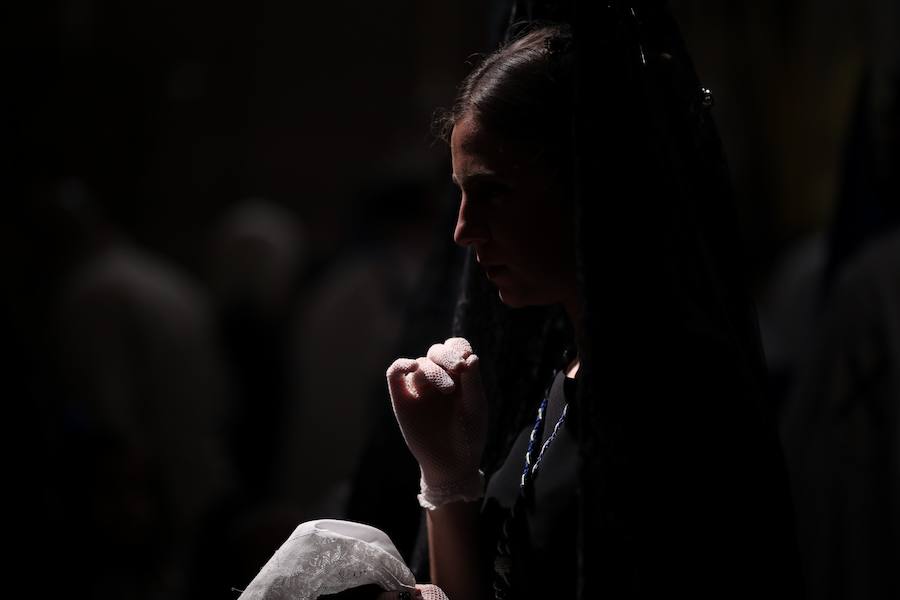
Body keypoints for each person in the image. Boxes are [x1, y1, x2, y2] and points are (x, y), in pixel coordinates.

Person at [387, 12, 802, 600]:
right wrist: (447, 475)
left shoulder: (676, 396)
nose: (463, 231)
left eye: (492, 193)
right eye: (460, 195)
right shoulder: (568, 371)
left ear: (586, 187)